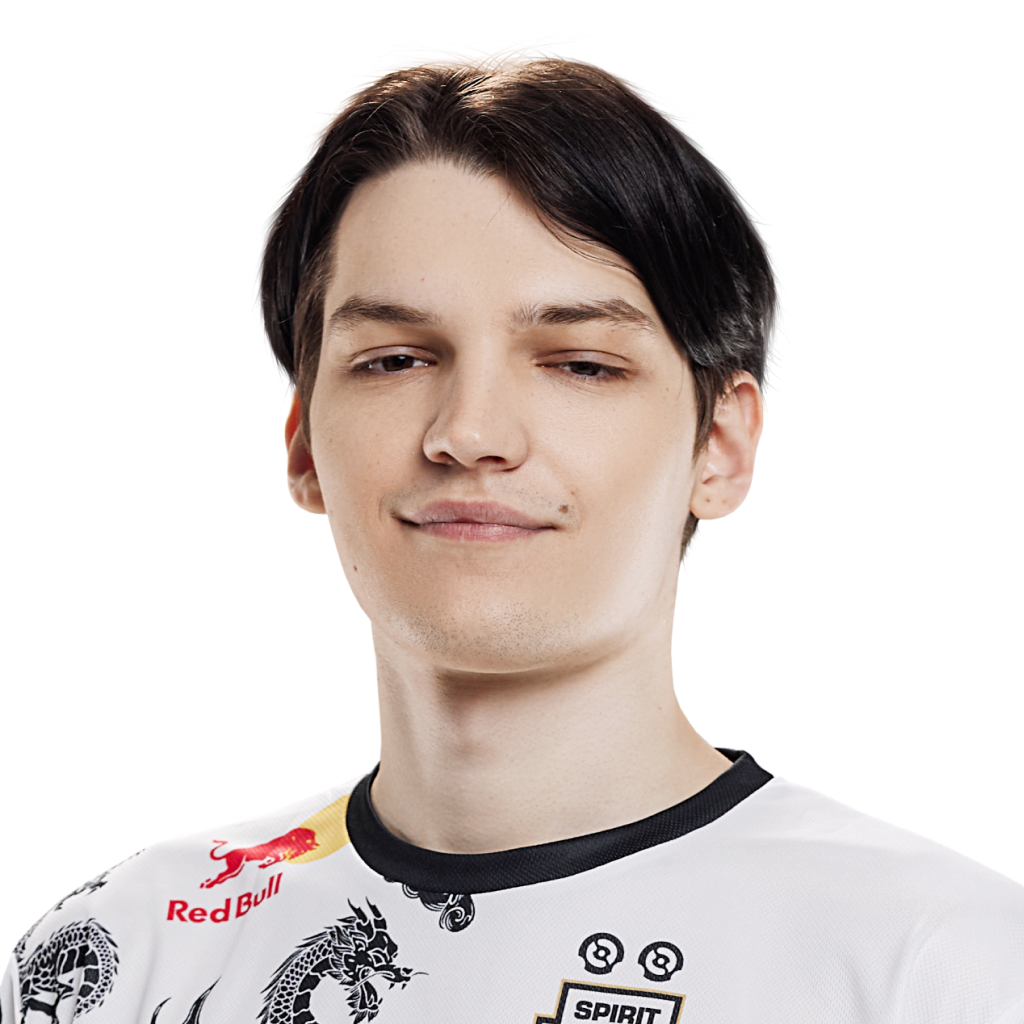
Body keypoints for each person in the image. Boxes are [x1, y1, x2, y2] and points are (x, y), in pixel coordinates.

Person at [5, 27, 1022, 1024]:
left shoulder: (943, 963)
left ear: (721, 445)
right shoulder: (125, 953)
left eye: (581, 364)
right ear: (305, 444)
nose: (470, 434)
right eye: (395, 359)